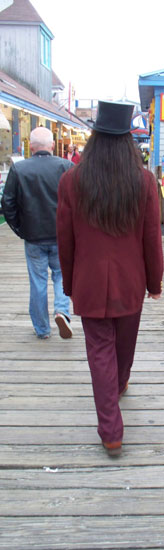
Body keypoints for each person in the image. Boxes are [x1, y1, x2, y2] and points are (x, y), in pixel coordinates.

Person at [57, 101, 163, 455]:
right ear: (128, 142)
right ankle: (119, 384)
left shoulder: (72, 180)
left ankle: (111, 431)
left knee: (99, 351)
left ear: (94, 139)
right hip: (131, 281)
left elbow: (65, 240)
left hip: (88, 282)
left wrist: (70, 284)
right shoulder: (144, 181)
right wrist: (155, 283)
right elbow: (152, 238)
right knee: (124, 343)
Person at [2, 127, 73, 340]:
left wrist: (18, 228)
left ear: (31, 147)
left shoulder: (19, 169)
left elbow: (8, 203)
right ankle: (62, 311)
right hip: (61, 235)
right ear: (52, 146)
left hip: (33, 236)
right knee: (61, 276)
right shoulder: (66, 167)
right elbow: (78, 201)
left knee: (38, 281)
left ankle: (42, 329)